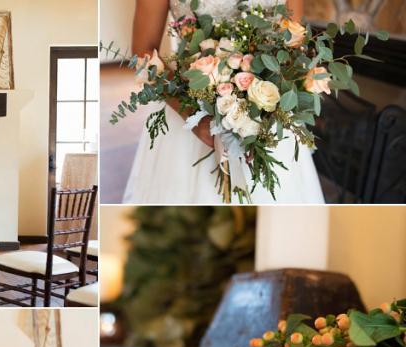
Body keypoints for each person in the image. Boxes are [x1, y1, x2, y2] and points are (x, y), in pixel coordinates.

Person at [122, 0, 326, 204]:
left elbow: (294, 43)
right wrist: (193, 115)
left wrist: (263, 109)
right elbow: (142, 52)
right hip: (189, 108)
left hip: (269, 111)